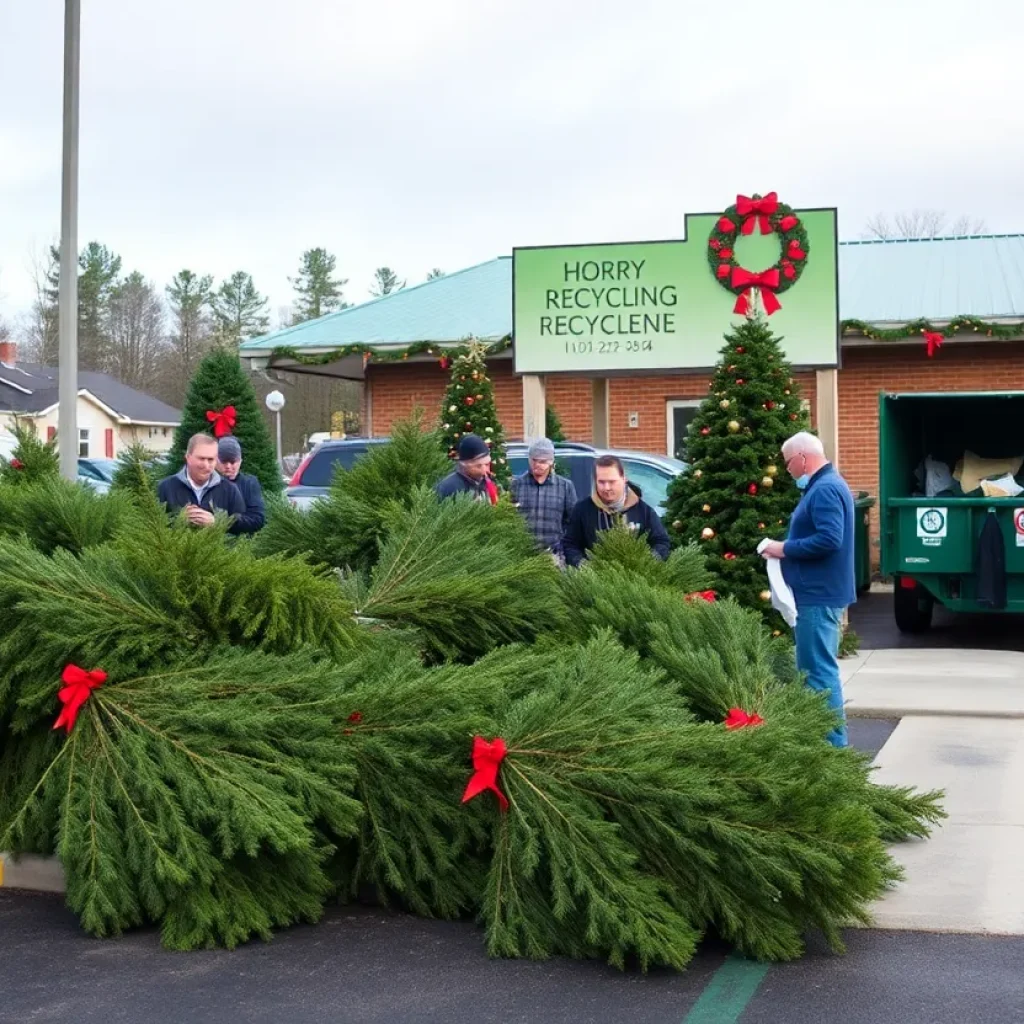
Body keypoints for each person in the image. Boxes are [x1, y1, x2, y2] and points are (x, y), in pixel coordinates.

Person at [759, 431, 855, 747]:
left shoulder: (825, 489)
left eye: (788, 464)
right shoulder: (825, 486)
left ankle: (832, 750)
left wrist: (782, 548)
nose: (787, 471)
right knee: (816, 670)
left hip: (817, 595)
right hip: (818, 592)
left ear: (802, 458)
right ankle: (827, 744)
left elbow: (830, 539)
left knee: (818, 673)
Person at [562, 454, 670, 567]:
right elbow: (570, 544)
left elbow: (661, 542)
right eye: (601, 482)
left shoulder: (644, 511)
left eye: (612, 481)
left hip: (637, 579)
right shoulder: (582, 510)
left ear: (624, 479)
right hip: (594, 579)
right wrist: (582, 564)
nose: (606, 488)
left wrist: (648, 561)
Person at [157, 432, 245, 530]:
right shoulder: (165, 487)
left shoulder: (230, 489)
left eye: (211, 459)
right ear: (188, 457)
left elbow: (242, 527)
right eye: (201, 459)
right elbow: (152, 527)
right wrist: (178, 520)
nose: (206, 465)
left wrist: (217, 522)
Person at [510, 438, 577, 564]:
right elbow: (509, 518)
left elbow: (572, 522)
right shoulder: (516, 485)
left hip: (554, 556)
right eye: (534, 460)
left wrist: (563, 546)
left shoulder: (565, 486)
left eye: (542, 461)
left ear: (551, 462)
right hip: (523, 556)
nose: (537, 465)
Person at [215, 436, 266, 534]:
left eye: (233, 462)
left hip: (243, 544)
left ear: (240, 461)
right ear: (216, 461)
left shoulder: (249, 483)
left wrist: (222, 521)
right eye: (224, 462)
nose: (228, 466)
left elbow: (258, 520)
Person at [436, 434, 498, 504]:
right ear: (464, 465)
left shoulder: (485, 479)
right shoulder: (448, 488)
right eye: (478, 466)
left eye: (487, 464)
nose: (484, 471)